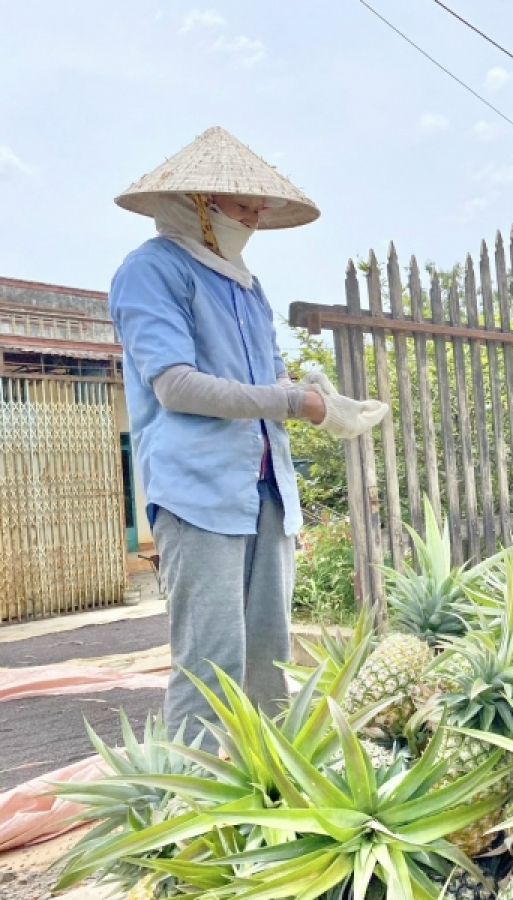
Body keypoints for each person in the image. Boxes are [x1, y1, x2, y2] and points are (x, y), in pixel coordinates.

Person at [110, 126, 388, 748]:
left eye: (258, 206)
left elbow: (267, 380)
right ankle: (193, 809)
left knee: (269, 662)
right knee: (211, 664)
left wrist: (317, 395)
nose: (255, 217)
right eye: (242, 205)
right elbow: (177, 386)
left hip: (267, 488)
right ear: (197, 202)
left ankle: (266, 797)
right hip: (199, 492)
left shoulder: (245, 284)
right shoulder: (151, 271)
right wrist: (296, 401)